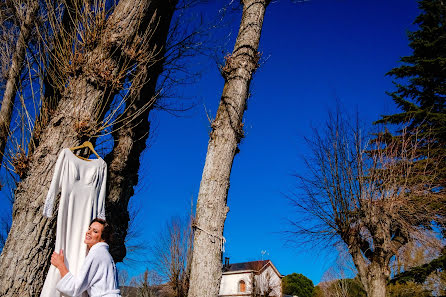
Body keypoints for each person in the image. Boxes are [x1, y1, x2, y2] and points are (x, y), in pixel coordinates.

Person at [50, 218, 121, 297]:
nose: (88, 232)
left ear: (103, 238)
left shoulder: (97, 253)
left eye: (95, 231)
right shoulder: (105, 254)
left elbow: (74, 288)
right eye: (89, 229)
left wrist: (60, 264)